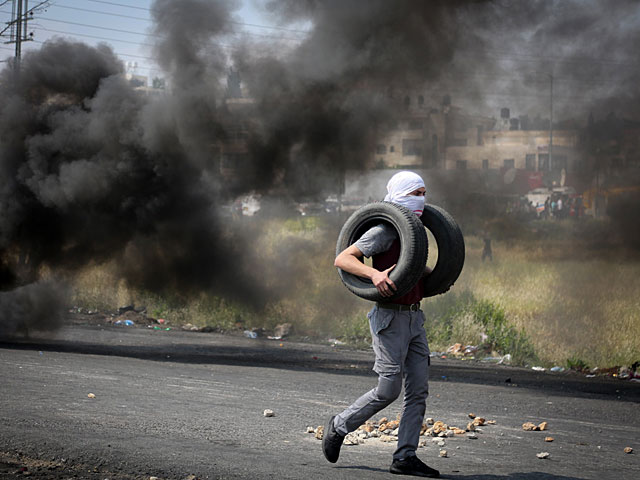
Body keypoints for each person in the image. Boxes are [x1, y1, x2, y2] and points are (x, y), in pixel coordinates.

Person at [324, 171, 439, 478]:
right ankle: (338, 425)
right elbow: (343, 259)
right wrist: (374, 275)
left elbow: (409, 262)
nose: (422, 198)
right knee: (388, 390)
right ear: (401, 193)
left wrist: (437, 274)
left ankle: (405, 457)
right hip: (389, 317)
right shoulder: (385, 229)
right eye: (416, 192)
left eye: (424, 192)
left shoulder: (413, 231)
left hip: (415, 317)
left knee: (418, 391)